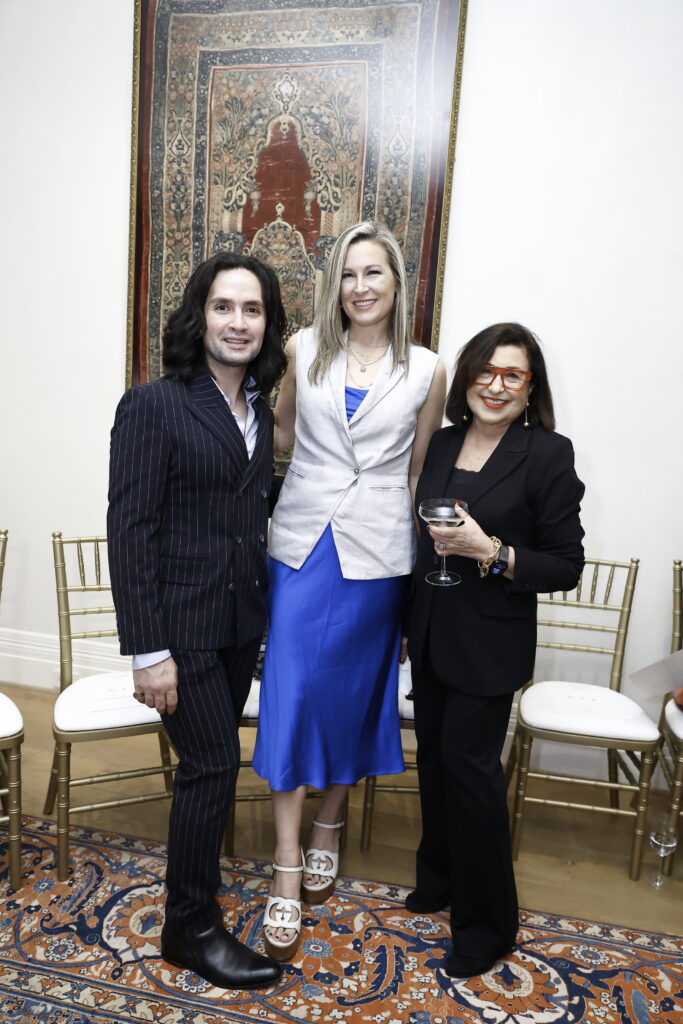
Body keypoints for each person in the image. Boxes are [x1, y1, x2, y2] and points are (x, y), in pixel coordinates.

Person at [252, 220, 447, 961]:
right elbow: (281, 435)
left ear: (397, 285)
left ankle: (331, 819)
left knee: (356, 695)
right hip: (302, 546)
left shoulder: (427, 368)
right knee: (293, 693)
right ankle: (285, 860)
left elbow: (416, 465)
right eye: (349, 275)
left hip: (379, 554)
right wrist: (321, 479)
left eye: (375, 274)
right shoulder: (303, 349)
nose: (361, 287)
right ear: (333, 285)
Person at [107, 251, 287, 990]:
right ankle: (191, 926)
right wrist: (148, 652)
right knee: (211, 765)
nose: (237, 322)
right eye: (223, 307)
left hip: (241, 622)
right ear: (198, 315)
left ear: (267, 324)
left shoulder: (259, 412)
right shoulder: (154, 404)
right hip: (180, 629)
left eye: (252, 310)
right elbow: (130, 530)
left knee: (211, 766)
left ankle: (194, 910)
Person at [407, 322, 585, 979]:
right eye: (485, 371)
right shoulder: (446, 441)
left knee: (472, 776)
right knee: (432, 761)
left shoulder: (546, 454)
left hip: (488, 643)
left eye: (512, 375)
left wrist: (494, 553)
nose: (496, 385)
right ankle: (439, 877)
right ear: (467, 379)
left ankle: (486, 926)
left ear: (529, 387)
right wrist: (405, 623)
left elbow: (566, 565)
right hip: (429, 629)